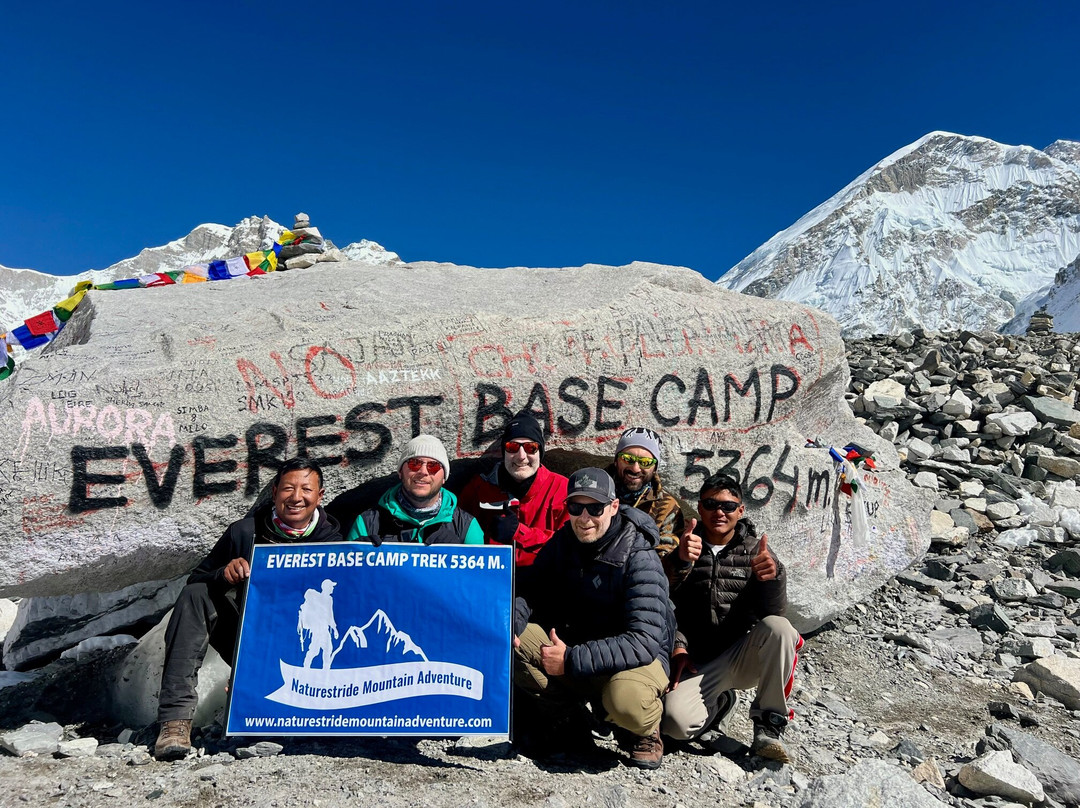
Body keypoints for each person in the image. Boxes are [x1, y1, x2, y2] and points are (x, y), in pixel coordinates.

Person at [154, 457, 342, 760]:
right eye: (288, 489)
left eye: (306, 489)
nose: (296, 497)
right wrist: (223, 573)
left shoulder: (335, 541)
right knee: (196, 594)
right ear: (274, 492)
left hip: (306, 646)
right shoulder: (244, 533)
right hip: (249, 642)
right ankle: (175, 720)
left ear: (320, 497)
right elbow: (197, 579)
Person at [513, 467, 675, 769]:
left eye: (595, 507)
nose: (584, 517)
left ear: (613, 507)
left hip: (636, 661)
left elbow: (644, 641)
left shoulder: (639, 555)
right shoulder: (563, 542)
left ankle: (644, 728)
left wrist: (572, 660)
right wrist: (512, 622)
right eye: (576, 507)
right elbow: (530, 590)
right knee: (510, 642)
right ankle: (571, 722)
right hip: (580, 649)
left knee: (625, 699)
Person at [661, 474, 802, 763]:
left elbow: (773, 615)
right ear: (699, 508)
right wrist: (677, 561)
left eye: (728, 506)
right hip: (695, 660)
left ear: (741, 510)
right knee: (673, 725)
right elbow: (664, 601)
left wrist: (773, 578)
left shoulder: (755, 551)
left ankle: (768, 725)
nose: (719, 512)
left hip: (740, 655)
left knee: (780, 629)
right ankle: (722, 704)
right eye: (711, 504)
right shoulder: (685, 544)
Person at [458, 412, 568, 565]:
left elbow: (572, 545)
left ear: (540, 452)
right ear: (503, 451)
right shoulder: (479, 489)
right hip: (493, 580)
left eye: (531, 447)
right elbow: (457, 537)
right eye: (512, 447)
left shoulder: (561, 490)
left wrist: (520, 533)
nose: (521, 456)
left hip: (544, 581)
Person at [346, 434, 484, 545]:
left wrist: (457, 559)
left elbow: (478, 578)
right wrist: (359, 558)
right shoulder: (367, 523)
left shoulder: (466, 527)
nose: (423, 471)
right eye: (414, 464)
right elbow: (348, 577)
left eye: (433, 466)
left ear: (444, 477)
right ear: (400, 471)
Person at [606, 427, 684, 557]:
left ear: (655, 468)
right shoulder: (595, 491)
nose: (635, 468)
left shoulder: (666, 507)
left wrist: (681, 560)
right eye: (627, 459)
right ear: (616, 461)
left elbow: (664, 567)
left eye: (645, 462)